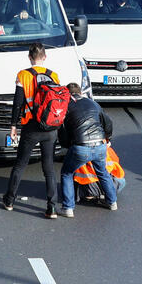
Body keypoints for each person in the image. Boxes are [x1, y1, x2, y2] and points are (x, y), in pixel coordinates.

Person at [3, 43, 61, 219]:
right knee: (49, 169)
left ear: (29, 57)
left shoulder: (23, 75)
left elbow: (18, 103)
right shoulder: (54, 75)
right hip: (51, 128)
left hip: (31, 127)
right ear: (44, 57)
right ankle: (51, 208)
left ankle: (10, 200)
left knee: (20, 164)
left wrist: (13, 126)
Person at [56, 83, 116, 218]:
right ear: (81, 92)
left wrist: (67, 146)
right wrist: (107, 138)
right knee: (103, 173)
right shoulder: (93, 103)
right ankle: (112, 202)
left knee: (67, 173)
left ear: (67, 94)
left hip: (81, 146)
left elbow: (63, 131)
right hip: (100, 145)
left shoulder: (67, 106)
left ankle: (68, 208)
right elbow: (108, 122)